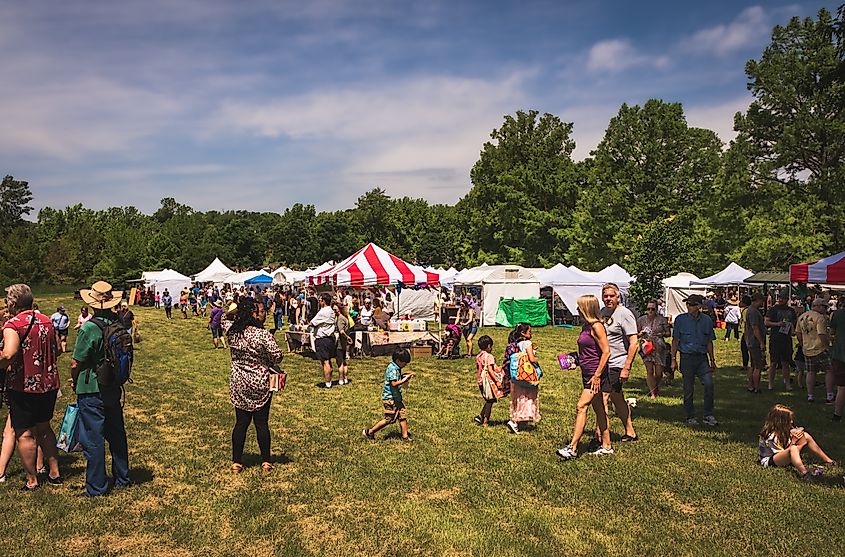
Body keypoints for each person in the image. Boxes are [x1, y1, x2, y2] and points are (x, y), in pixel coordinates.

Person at [0, 284, 62, 490]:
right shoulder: (47, 321)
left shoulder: (13, 325)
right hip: (49, 384)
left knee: (25, 434)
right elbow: (59, 351)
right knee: (44, 429)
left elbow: (9, 354)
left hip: (23, 387)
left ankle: (32, 480)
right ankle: (54, 473)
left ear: (14, 303)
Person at [71, 281, 130, 496]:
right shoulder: (119, 323)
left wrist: (73, 380)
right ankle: (123, 477)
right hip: (113, 386)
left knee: (93, 437)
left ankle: (96, 487)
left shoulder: (89, 328)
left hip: (91, 387)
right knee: (116, 434)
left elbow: (76, 362)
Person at [224, 297, 284, 473]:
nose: (265, 314)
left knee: (240, 423)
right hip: (260, 382)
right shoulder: (263, 335)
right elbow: (278, 356)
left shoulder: (233, 331)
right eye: (262, 311)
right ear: (254, 313)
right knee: (261, 423)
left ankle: (236, 462)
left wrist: (239, 310)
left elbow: (224, 318)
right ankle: (266, 460)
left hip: (239, 381)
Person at [556, 295, 612, 460]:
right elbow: (588, 352)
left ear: (587, 308)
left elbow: (606, 352)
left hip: (596, 375)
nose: (577, 309)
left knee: (581, 406)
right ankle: (607, 445)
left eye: (579, 306)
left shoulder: (597, 327)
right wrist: (576, 361)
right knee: (599, 409)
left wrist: (597, 375)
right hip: (587, 372)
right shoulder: (586, 327)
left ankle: (572, 448)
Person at [598, 284, 638, 441]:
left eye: (611, 296)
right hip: (604, 361)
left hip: (618, 362)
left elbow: (634, 342)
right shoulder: (602, 313)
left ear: (618, 297)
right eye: (605, 296)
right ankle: (630, 432)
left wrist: (626, 367)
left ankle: (601, 437)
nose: (608, 299)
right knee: (617, 397)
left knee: (602, 398)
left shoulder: (625, 314)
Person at [671, 294, 718, 426]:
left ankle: (708, 414)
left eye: (691, 304)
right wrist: (673, 359)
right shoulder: (680, 320)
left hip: (702, 358)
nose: (688, 307)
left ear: (698, 306)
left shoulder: (707, 320)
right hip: (686, 358)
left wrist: (712, 359)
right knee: (688, 389)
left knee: (709, 384)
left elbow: (709, 341)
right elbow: (675, 341)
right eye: (687, 304)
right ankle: (689, 416)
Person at [758, 404, 836, 477]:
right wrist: (793, 442)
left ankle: (829, 461)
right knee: (793, 448)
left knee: (805, 435)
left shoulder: (784, 430)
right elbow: (783, 453)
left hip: (783, 455)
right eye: (789, 420)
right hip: (770, 460)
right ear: (780, 422)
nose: (791, 422)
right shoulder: (771, 436)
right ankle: (804, 472)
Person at [363, 349, 414, 441]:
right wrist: (404, 380)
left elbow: (396, 379)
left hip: (397, 398)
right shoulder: (392, 369)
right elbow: (393, 384)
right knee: (389, 419)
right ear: (398, 361)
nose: (405, 365)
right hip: (390, 399)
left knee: (402, 416)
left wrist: (404, 376)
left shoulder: (396, 368)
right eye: (404, 363)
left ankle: (405, 436)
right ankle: (370, 432)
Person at [505, 323, 541, 434]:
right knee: (527, 397)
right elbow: (531, 358)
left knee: (519, 397)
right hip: (527, 374)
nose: (531, 334)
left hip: (518, 374)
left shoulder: (517, 344)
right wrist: (537, 360)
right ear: (523, 333)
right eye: (529, 331)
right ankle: (515, 421)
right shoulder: (528, 343)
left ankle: (518, 420)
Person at [796, 298, 833, 403]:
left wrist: (802, 343)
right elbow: (822, 334)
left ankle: (810, 395)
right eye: (825, 307)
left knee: (810, 372)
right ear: (819, 306)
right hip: (820, 348)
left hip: (807, 348)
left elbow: (798, 332)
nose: (826, 309)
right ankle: (829, 395)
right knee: (829, 371)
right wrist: (826, 345)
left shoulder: (802, 317)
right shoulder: (820, 318)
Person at [637, 299, 669, 399]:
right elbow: (636, 334)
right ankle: (652, 393)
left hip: (659, 347)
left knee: (659, 372)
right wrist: (640, 334)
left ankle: (655, 386)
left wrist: (661, 334)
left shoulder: (662, 320)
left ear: (656, 309)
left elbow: (668, 333)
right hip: (646, 347)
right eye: (648, 309)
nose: (650, 311)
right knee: (649, 370)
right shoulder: (641, 320)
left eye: (653, 309)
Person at [765, 291, 797, 391]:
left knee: (786, 362)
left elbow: (793, 322)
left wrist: (792, 329)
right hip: (775, 338)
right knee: (773, 362)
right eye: (780, 298)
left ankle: (787, 383)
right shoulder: (773, 309)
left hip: (786, 339)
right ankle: (770, 384)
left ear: (787, 299)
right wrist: (777, 324)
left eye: (783, 298)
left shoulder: (791, 310)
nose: (781, 300)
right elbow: (766, 322)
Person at [474, 335, 506, 427]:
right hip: (488, 382)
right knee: (490, 402)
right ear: (488, 346)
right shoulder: (489, 356)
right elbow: (490, 370)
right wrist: (497, 381)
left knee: (488, 400)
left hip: (480, 381)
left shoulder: (479, 356)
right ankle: (485, 422)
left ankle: (480, 416)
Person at [310, 293, 337, 389]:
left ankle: (328, 383)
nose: (319, 301)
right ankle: (329, 380)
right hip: (329, 338)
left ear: (324, 301)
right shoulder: (331, 311)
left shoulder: (323, 312)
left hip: (322, 338)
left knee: (325, 362)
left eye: (320, 300)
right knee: (328, 361)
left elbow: (312, 323)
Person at [744, 294, 767, 393]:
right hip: (755, 342)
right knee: (758, 366)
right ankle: (756, 387)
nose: (762, 303)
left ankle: (750, 385)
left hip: (750, 341)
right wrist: (761, 342)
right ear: (757, 300)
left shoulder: (750, 310)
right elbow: (755, 328)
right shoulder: (753, 312)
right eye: (762, 301)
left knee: (752, 365)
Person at [333, 303, 351, 386]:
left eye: (335, 309)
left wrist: (347, 337)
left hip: (340, 343)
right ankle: (345, 378)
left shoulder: (340, 319)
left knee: (340, 362)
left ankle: (341, 379)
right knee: (344, 362)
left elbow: (341, 331)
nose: (334, 311)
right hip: (344, 344)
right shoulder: (345, 318)